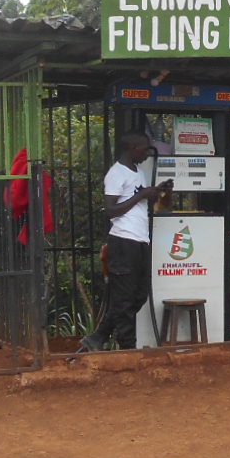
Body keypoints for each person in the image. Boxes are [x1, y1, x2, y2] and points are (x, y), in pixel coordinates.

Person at [79, 131, 174, 352]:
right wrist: (142, 195)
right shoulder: (116, 174)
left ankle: (99, 336)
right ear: (133, 148)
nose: (147, 154)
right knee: (124, 299)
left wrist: (157, 191)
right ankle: (127, 348)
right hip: (123, 241)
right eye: (145, 149)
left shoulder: (137, 172)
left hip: (140, 239)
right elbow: (111, 210)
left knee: (139, 294)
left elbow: (139, 200)